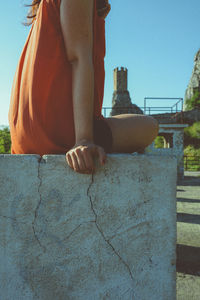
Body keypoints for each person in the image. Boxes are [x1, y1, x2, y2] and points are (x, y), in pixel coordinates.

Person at [9, 0, 159, 175]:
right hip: (54, 132)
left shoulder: (45, 7)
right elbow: (78, 58)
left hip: (24, 138)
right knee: (149, 126)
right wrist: (84, 139)